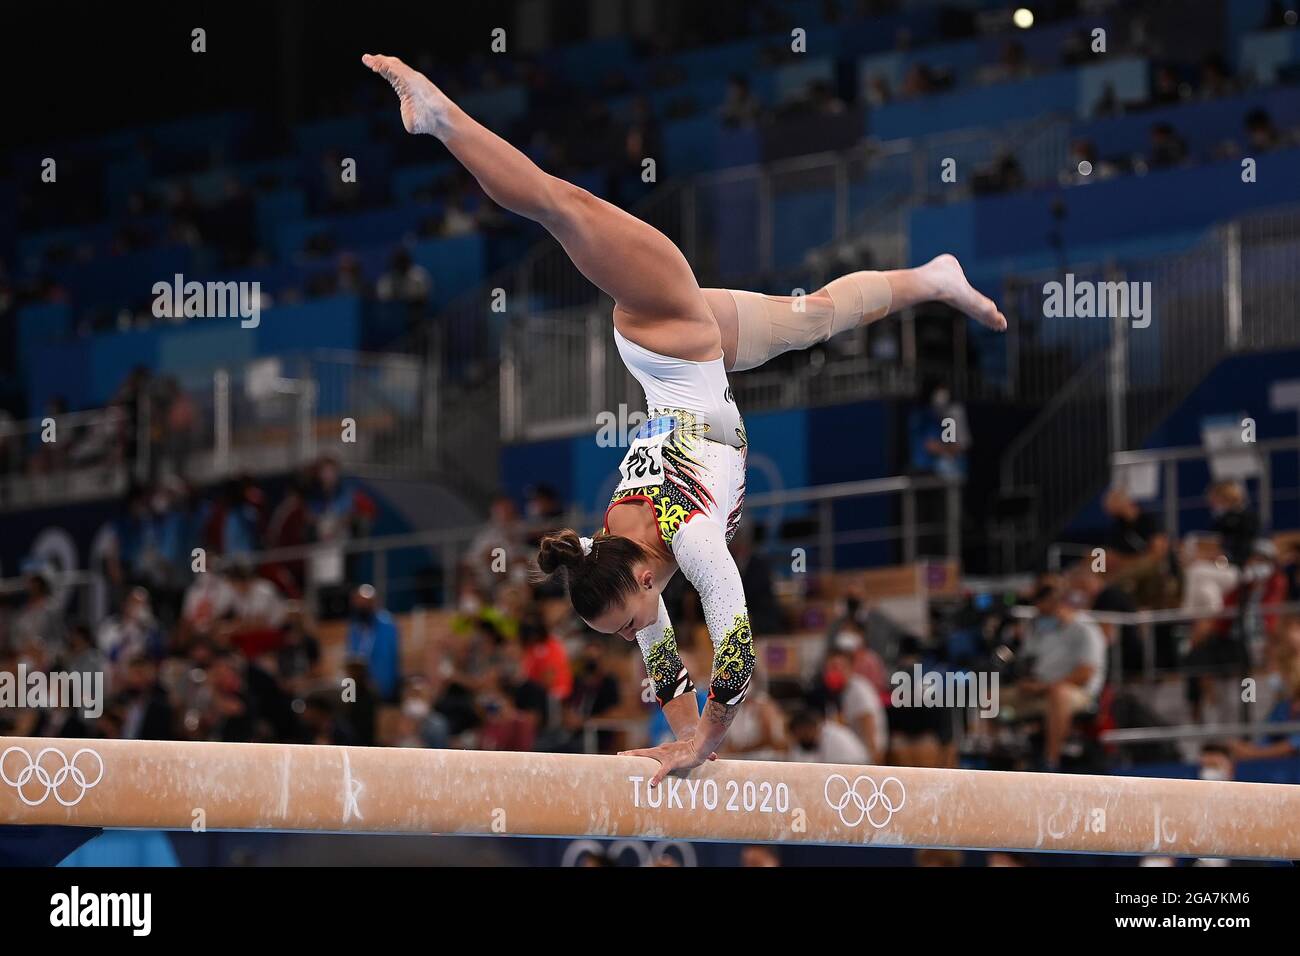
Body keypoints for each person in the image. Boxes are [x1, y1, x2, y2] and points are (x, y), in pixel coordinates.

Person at [364, 53, 1006, 783]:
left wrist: (703, 741)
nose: (641, 635)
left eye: (633, 621)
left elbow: (736, 651)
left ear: (640, 579)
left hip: (661, 329)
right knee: (815, 317)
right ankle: (932, 277)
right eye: (628, 632)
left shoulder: (689, 537)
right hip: (692, 356)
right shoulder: (620, 556)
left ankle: (442, 116)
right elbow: (663, 656)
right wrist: (677, 740)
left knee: (558, 206)